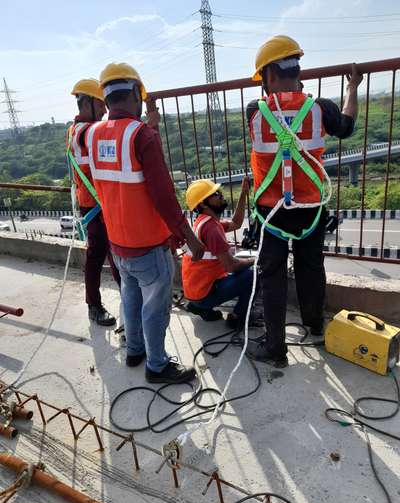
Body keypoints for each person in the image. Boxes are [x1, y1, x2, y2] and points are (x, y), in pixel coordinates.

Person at [246, 35, 363, 368]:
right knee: (311, 266)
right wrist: (352, 89)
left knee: (272, 275)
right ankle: (314, 324)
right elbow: (348, 124)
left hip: (272, 213)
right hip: (310, 210)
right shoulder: (320, 109)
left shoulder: (255, 111)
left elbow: (273, 114)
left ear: (268, 75)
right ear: (297, 70)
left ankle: (275, 348)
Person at [86, 62, 204, 384]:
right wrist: (190, 238)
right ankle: (157, 364)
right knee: (155, 307)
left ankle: (135, 351)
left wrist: (149, 128)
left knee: (131, 298)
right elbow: (164, 196)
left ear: (106, 100)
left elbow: (120, 174)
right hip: (148, 246)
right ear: (137, 95)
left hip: (118, 243)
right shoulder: (142, 136)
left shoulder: (93, 135)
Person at [69, 79, 121, 326]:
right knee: (99, 253)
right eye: (101, 103)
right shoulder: (87, 132)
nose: (104, 109)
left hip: (96, 202)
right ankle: (94, 305)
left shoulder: (76, 129)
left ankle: (127, 294)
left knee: (112, 252)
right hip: (96, 204)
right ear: (87, 102)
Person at [182, 178, 257, 330]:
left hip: (195, 292)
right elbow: (231, 266)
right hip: (204, 294)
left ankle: (199, 306)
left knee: (242, 265)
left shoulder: (204, 221)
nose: (220, 195)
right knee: (255, 272)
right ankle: (238, 317)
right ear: (203, 204)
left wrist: (243, 194)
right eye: (215, 194)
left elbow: (236, 223)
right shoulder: (212, 229)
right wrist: (255, 259)